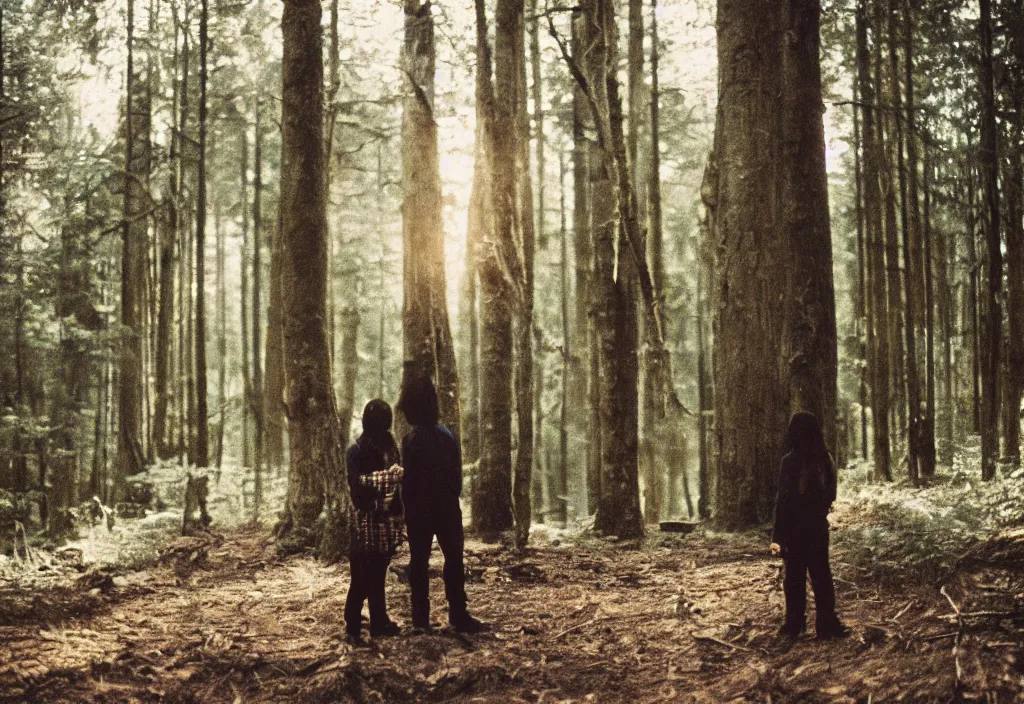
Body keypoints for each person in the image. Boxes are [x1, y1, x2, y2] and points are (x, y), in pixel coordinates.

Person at [396, 372, 483, 634]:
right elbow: (455, 478)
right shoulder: (447, 435)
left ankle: (420, 617)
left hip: (420, 511)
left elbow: (408, 482)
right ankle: (457, 613)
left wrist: (407, 510)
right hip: (446, 508)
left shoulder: (410, 441)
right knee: (453, 560)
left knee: (419, 562)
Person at [770, 411, 849, 640]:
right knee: (821, 576)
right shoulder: (826, 459)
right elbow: (831, 495)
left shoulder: (789, 461)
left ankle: (794, 626)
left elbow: (783, 501)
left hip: (795, 530)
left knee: (794, 578)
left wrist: (778, 535)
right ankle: (827, 624)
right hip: (817, 528)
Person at [344, 399, 405, 643]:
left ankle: (374, 620)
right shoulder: (361, 450)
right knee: (366, 571)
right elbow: (356, 484)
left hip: (377, 518)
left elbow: (359, 484)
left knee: (373, 570)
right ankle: (356, 621)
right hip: (369, 518)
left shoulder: (384, 447)